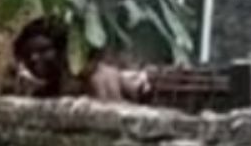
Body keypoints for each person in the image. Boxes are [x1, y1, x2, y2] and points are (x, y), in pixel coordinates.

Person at [12, 17, 152, 102]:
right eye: (27, 54)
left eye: (43, 50)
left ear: (63, 50)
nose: (34, 58)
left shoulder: (98, 76)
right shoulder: (45, 92)